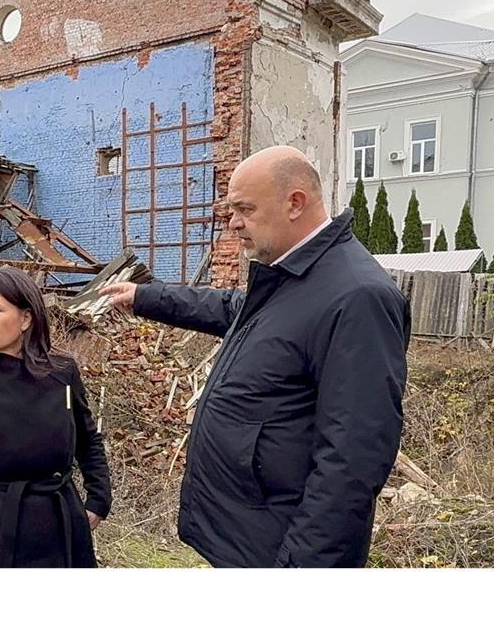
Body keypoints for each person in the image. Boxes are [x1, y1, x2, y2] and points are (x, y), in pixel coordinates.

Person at [100, 146, 410, 568]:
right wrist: (146, 297)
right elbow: (231, 308)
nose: (233, 224)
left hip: (278, 552)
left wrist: (299, 568)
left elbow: (352, 461)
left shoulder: (356, 296)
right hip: (246, 538)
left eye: (244, 209)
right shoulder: (294, 276)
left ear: (295, 203)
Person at [0, 266, 111, 568]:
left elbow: (87, 438)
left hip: (62, 519)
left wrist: (99, 498)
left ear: (26, 318)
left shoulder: (62, 373)